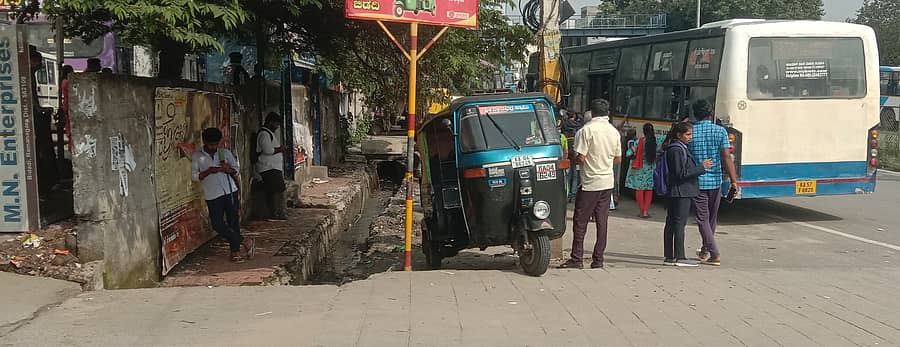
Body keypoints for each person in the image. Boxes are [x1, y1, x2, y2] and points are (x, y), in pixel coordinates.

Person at [558, 99, 621, 269]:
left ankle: (577, 258)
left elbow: (581, 157)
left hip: (590, 183)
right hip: (607, 182)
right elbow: (618, 158)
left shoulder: (586, 131)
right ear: (607, 113)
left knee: (580, 221)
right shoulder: (614, 132)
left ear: (591, 113)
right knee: (602, 221)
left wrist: (574, 158)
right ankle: (598, 259)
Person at [192, 128, 254, 262]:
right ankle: (244, 241)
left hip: (229, 191)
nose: (214, 147)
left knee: (233, 223)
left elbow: (236, 171)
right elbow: (195, 176)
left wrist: (228, 169)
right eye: (211, 144)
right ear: (205, 142)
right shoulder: (197, 156)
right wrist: (208, 171)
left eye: (216, 144)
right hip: (212, 194)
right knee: (217, 224)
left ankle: (235, 252)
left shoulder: (224, 153)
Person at [687, 100, 738, 266]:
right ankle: (705, 250)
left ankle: (714, 253)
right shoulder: (720, 131)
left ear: (695, 114)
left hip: (697, 181)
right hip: (715, 181)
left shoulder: (690, 131)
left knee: (702, 219)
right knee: (711, 218)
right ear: (711, 113)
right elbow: (726, 156)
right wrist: (733, 181)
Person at [662, 122, 712, 267]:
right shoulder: (676, 149)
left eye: (691, 134)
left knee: (672, 223)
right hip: (680, 191)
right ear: (679, 135)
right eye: (688, 134)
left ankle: (670, 256)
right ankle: (679, 256)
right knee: (678, 224)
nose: (690, 137)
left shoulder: (679, 148)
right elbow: (680, 173)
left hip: (679, 191)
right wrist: (701, 167)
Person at [257, 112, 288, 221]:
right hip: (269, 167)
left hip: (273, 167)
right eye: (276, 124)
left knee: (277, 190)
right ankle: (275, 213)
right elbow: (268, 150)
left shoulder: (269, 133)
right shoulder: (264, 134)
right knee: (276, 191)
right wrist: (280, 149)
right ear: (270, 122)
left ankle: (277, 212)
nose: (277, 127)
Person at [626, 123, 660, 218]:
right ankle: (646, 211)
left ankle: (641, 211)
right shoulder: (656, 141)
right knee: (649, 189)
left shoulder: (639, 141)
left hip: (640, 167)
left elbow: (628, 154)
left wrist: (630, 144)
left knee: (639, 189)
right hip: (651, 167)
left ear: (644, 131)